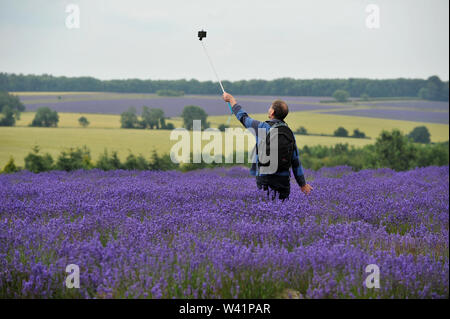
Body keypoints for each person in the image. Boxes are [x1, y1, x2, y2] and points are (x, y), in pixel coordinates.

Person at [223, 92, 313, 200]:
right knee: (283, 213)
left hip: (265, 178)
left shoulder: (262, 127)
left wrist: (232, 100)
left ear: (272, 112)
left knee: (265, 210)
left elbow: (243, 117)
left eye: (270, 107)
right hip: (283, 180)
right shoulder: (289, 133)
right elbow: (295, 161)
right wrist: (302, 184)